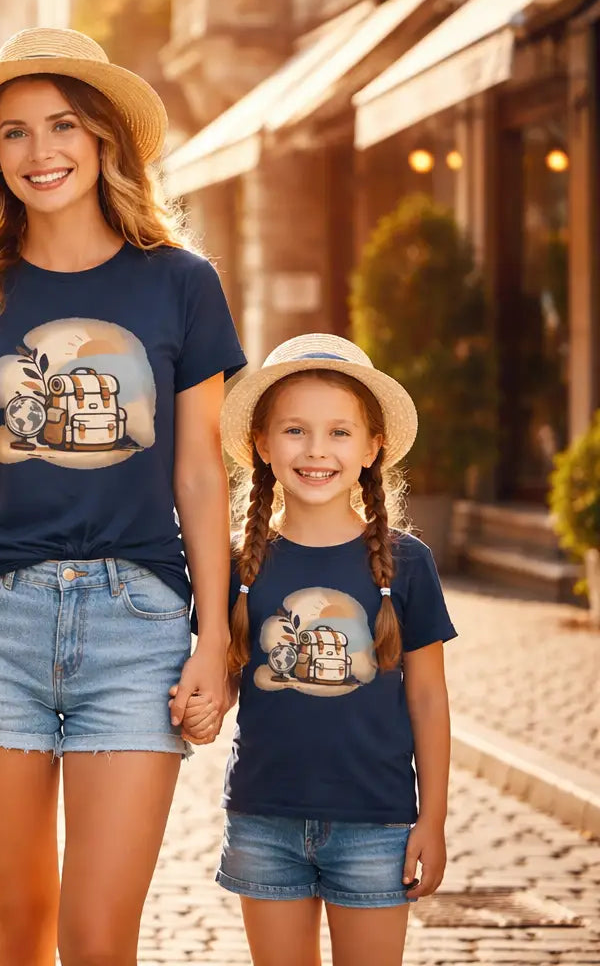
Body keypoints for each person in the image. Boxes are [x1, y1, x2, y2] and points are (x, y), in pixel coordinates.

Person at [0, 27, 244, 965]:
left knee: (98, 939)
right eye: (15, 133)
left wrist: (216, 637)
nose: (40, 152)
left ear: (103, 142)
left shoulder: (181, 283)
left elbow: (203, 475)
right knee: (15, 933)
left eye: (62, 126)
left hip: (139, 631)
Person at [214, 334, 453, 966]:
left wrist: (433, 820)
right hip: (264, 820)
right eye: (295, 430)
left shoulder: (408, 564)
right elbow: (223, 678)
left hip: (376, 826)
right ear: (262, 445)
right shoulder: (238, 565)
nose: (317, 450)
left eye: (340, 433)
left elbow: (428, 699)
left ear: (373, 448)